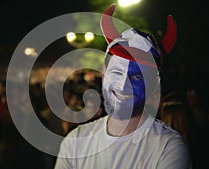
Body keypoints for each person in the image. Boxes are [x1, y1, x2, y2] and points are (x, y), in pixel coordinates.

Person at [55, 4, 191, 169]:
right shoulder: (74, 143)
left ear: (154, 84)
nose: (123, 85)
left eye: (135, 76)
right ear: (104, 72)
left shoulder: (167, 148)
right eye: (117, 72)